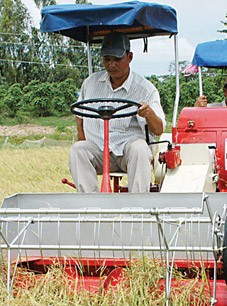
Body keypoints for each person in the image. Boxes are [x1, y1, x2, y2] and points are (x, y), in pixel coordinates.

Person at [69, 31, 165, 193]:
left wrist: (148, 113)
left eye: (117, 59)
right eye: (107, 60)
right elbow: (80, 118)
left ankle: (139, 207)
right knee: (78, 149)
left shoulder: (145, 89)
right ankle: (91, 206)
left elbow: (159, 129)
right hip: (99, 150)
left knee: (140, 148)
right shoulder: (91, 83)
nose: (111, 65)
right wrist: (83, 139)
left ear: (129, 57)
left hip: (126, 152)